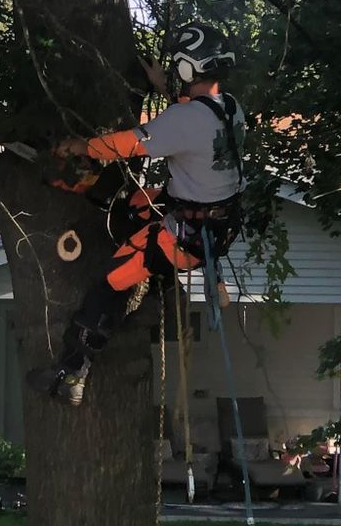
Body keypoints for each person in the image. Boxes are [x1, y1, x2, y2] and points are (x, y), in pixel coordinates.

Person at [27, 22, 247, 406]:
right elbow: (190, 121)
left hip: (187, 233)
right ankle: (148, 252)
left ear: (186, 68)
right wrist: (163, 87)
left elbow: (130, 144)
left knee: (110, 282)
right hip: (214, 218)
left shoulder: (184, 120)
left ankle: (72, 372)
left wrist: (83, 147)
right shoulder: (230, 108)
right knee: (133, 205)